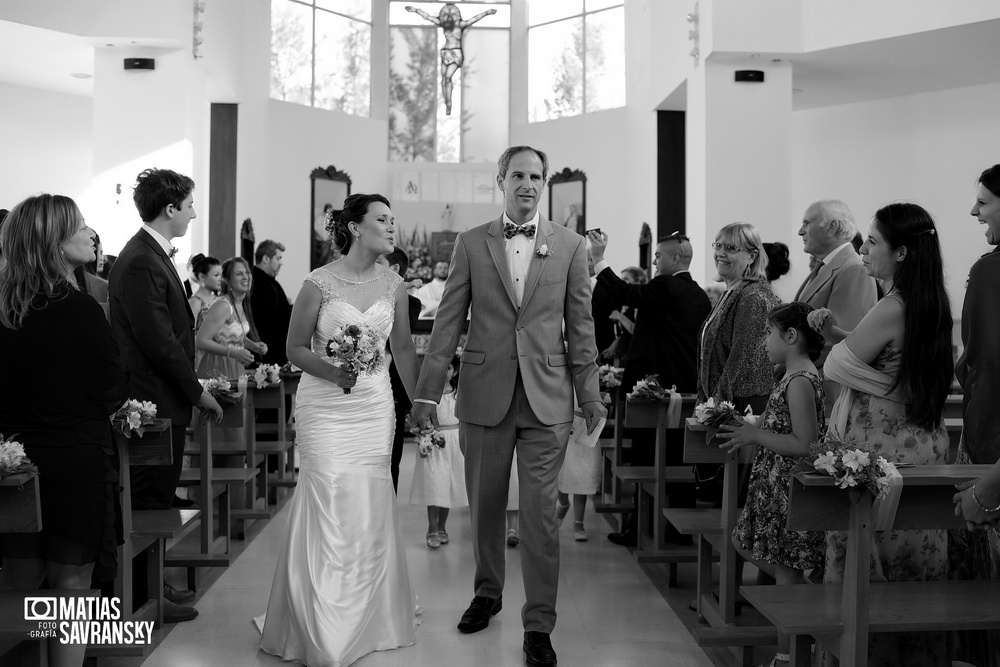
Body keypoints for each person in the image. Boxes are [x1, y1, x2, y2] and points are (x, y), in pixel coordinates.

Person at [410, 145, 606, 667]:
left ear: (544, 183)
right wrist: (427, 393)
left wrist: (589, 392)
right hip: (484, 392)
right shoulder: (473, 243)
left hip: (548, 399)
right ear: (500, 179)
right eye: (517, 174)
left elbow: (581, 328)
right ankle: (488, 590)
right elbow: (448, 321)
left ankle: (539, 624)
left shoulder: (570, 245)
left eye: (535, 175)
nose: (527, 183)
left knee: (541, 519)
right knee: (487, 504)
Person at [258, 193, 421, 666]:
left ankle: (367, 615)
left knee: (369, 504)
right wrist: (333, 371)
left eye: (394, 220)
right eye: (382, 220)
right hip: (326, 407)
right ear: (354, 227)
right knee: (328, 498)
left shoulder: (395, 285)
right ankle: (320, 621)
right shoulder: (318, 283)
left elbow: (405, 351)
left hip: (373, 407)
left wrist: (424, 405)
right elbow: (292, 347)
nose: (393, 228)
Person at [808, 202, 952, 666]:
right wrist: (837, 333)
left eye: (872, 241)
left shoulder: (891, 304)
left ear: (903, 252)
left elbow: (839, 365)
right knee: (917, 561)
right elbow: (888, 360)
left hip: (883, 448)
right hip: (922, 442)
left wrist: (835, 343)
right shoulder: (933, 300)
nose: (864, 249)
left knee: (869, 570)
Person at [0, 194, 126, 667]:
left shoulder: (3, 310)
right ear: (54, 242)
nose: (89, 233)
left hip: (15, 461)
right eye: (79, 226)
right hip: (74, 459)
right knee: (71, 589)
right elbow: (112, 387)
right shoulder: (79, 309)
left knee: (17, 579)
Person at [109, 168, 223, 624]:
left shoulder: (151, 255)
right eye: (190, 204)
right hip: (152, 403)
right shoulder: (140, 260)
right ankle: (137, 600)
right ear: (170, 208)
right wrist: (197, 394)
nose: (194, 212)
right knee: (147, 503)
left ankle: (150, 588)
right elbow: (159, 340)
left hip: (161, 400)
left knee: (156, 501)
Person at [717, 302, 827, 667]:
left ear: (791, 336)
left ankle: (788, 654)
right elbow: (777, 420)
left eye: (768, 333)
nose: (764, 340)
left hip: (787, 490)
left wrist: (756, 436)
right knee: (742, 542)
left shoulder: (800, 381)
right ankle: (809, 605)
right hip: (773, 486)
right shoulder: (792, 375)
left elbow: (805, 444)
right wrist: (749, 425)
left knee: (784, 572)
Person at [590, 231, 711, 547]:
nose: (654, 261)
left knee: (645, 456)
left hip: (654, 392)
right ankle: (676, 527)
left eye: (658, 256)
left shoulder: (666, 285)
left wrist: (599, 258)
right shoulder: (697, 293)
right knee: (679, 457)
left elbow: (624, 292)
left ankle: (639, 527)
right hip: (683, 387)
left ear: (674, 258)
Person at [949, 163, 1000, 667]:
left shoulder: (991, 270)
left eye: (984, 202)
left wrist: (986, 487)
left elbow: (979, 362)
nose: (973, 210)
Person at [697, 223, 780, 505]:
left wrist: (715, 405)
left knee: (738, 500)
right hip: (729, 402)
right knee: (726, 498)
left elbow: (741, 358)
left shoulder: (754, 297)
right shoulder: (733, 291)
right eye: (718, 245)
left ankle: (735, 550)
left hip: (744, 404)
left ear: (752, 256)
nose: (720, 253)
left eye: (730, 248)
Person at [794, 200, 877, 414]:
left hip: (828, 387)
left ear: (832, 227)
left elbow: (840, 341)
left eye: (807, 223)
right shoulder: (826, 267)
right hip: (811, 381)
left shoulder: (852, 269)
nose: (800, 231)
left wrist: (791, 365)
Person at [409, 353, 468, 548]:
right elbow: (419, 419)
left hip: (454, 444)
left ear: (455, 371)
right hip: (433, 444)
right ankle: (432, 528)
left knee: (448, 487)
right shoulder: (428, 396)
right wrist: (424, 436)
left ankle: (442, 526)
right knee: (435, 485)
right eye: (441, 369)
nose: (444, 374)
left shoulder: (460, 394)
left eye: (448, 369)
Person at [380, 246, 422, 491]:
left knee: (390, 459)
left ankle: (388, 508)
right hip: (358, 387)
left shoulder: (411, 303)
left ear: (394, 269)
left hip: (391, 390)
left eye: (379, 262)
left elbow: (393, 342)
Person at [405, 3, 497, 115]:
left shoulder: (460, 25)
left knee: (448, 76)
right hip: (445, 53)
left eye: (451, 14)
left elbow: (474, 19)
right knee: (444, 79)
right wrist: (415, 10)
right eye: (446, 15)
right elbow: (428, 17)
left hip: (456, 53)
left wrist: (487, 13)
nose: (449, 17)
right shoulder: (443, 25)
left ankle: (449, 103)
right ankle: (447, 101)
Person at [195, 256, 266, 378]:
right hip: (216, 368)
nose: (246, 277)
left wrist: (252, 345)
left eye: (247, 272)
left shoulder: (239, 305)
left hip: (234, 365)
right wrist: (233, 353)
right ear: (227, 280)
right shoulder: (223, 305)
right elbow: (200, 341)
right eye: (239, 274)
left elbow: (229, 336)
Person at [250, 239, 292, 366]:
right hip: (267, 352)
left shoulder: (268, 281)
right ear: (266, 259)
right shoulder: (258, 282)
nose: (281, 263)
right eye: (278, 258)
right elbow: (270, 318)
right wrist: (296, 309)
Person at [188, 254, 222, 332]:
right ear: (202, 277)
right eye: (216, 275)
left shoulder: (218, 300)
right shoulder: (195, 302)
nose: (220, 279)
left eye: (221, 275)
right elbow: (190, 335)